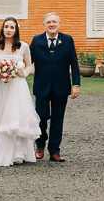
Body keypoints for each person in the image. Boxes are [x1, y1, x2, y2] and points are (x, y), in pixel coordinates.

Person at [0, 17, 41, 167]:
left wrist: (23, 73)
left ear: (16, 30)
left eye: (12, 27)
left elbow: (29, 65)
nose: (9, 30)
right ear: (2, 28)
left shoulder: (23, 46)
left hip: (17, 87)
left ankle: (16, 153)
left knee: (15, 118)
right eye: (6, 26)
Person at [30, 12, 80, 162]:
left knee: (58, 119)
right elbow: (28, 60)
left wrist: (76, 84)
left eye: (54, 22)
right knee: (41, 117)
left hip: (61, 86)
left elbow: (74, 63)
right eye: (48, 22)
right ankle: (40, 145)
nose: (51, 24)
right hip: (42, 86)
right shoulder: (37, 40)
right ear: (44, 25)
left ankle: (54, 151)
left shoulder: (68, 40)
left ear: (59, 24)